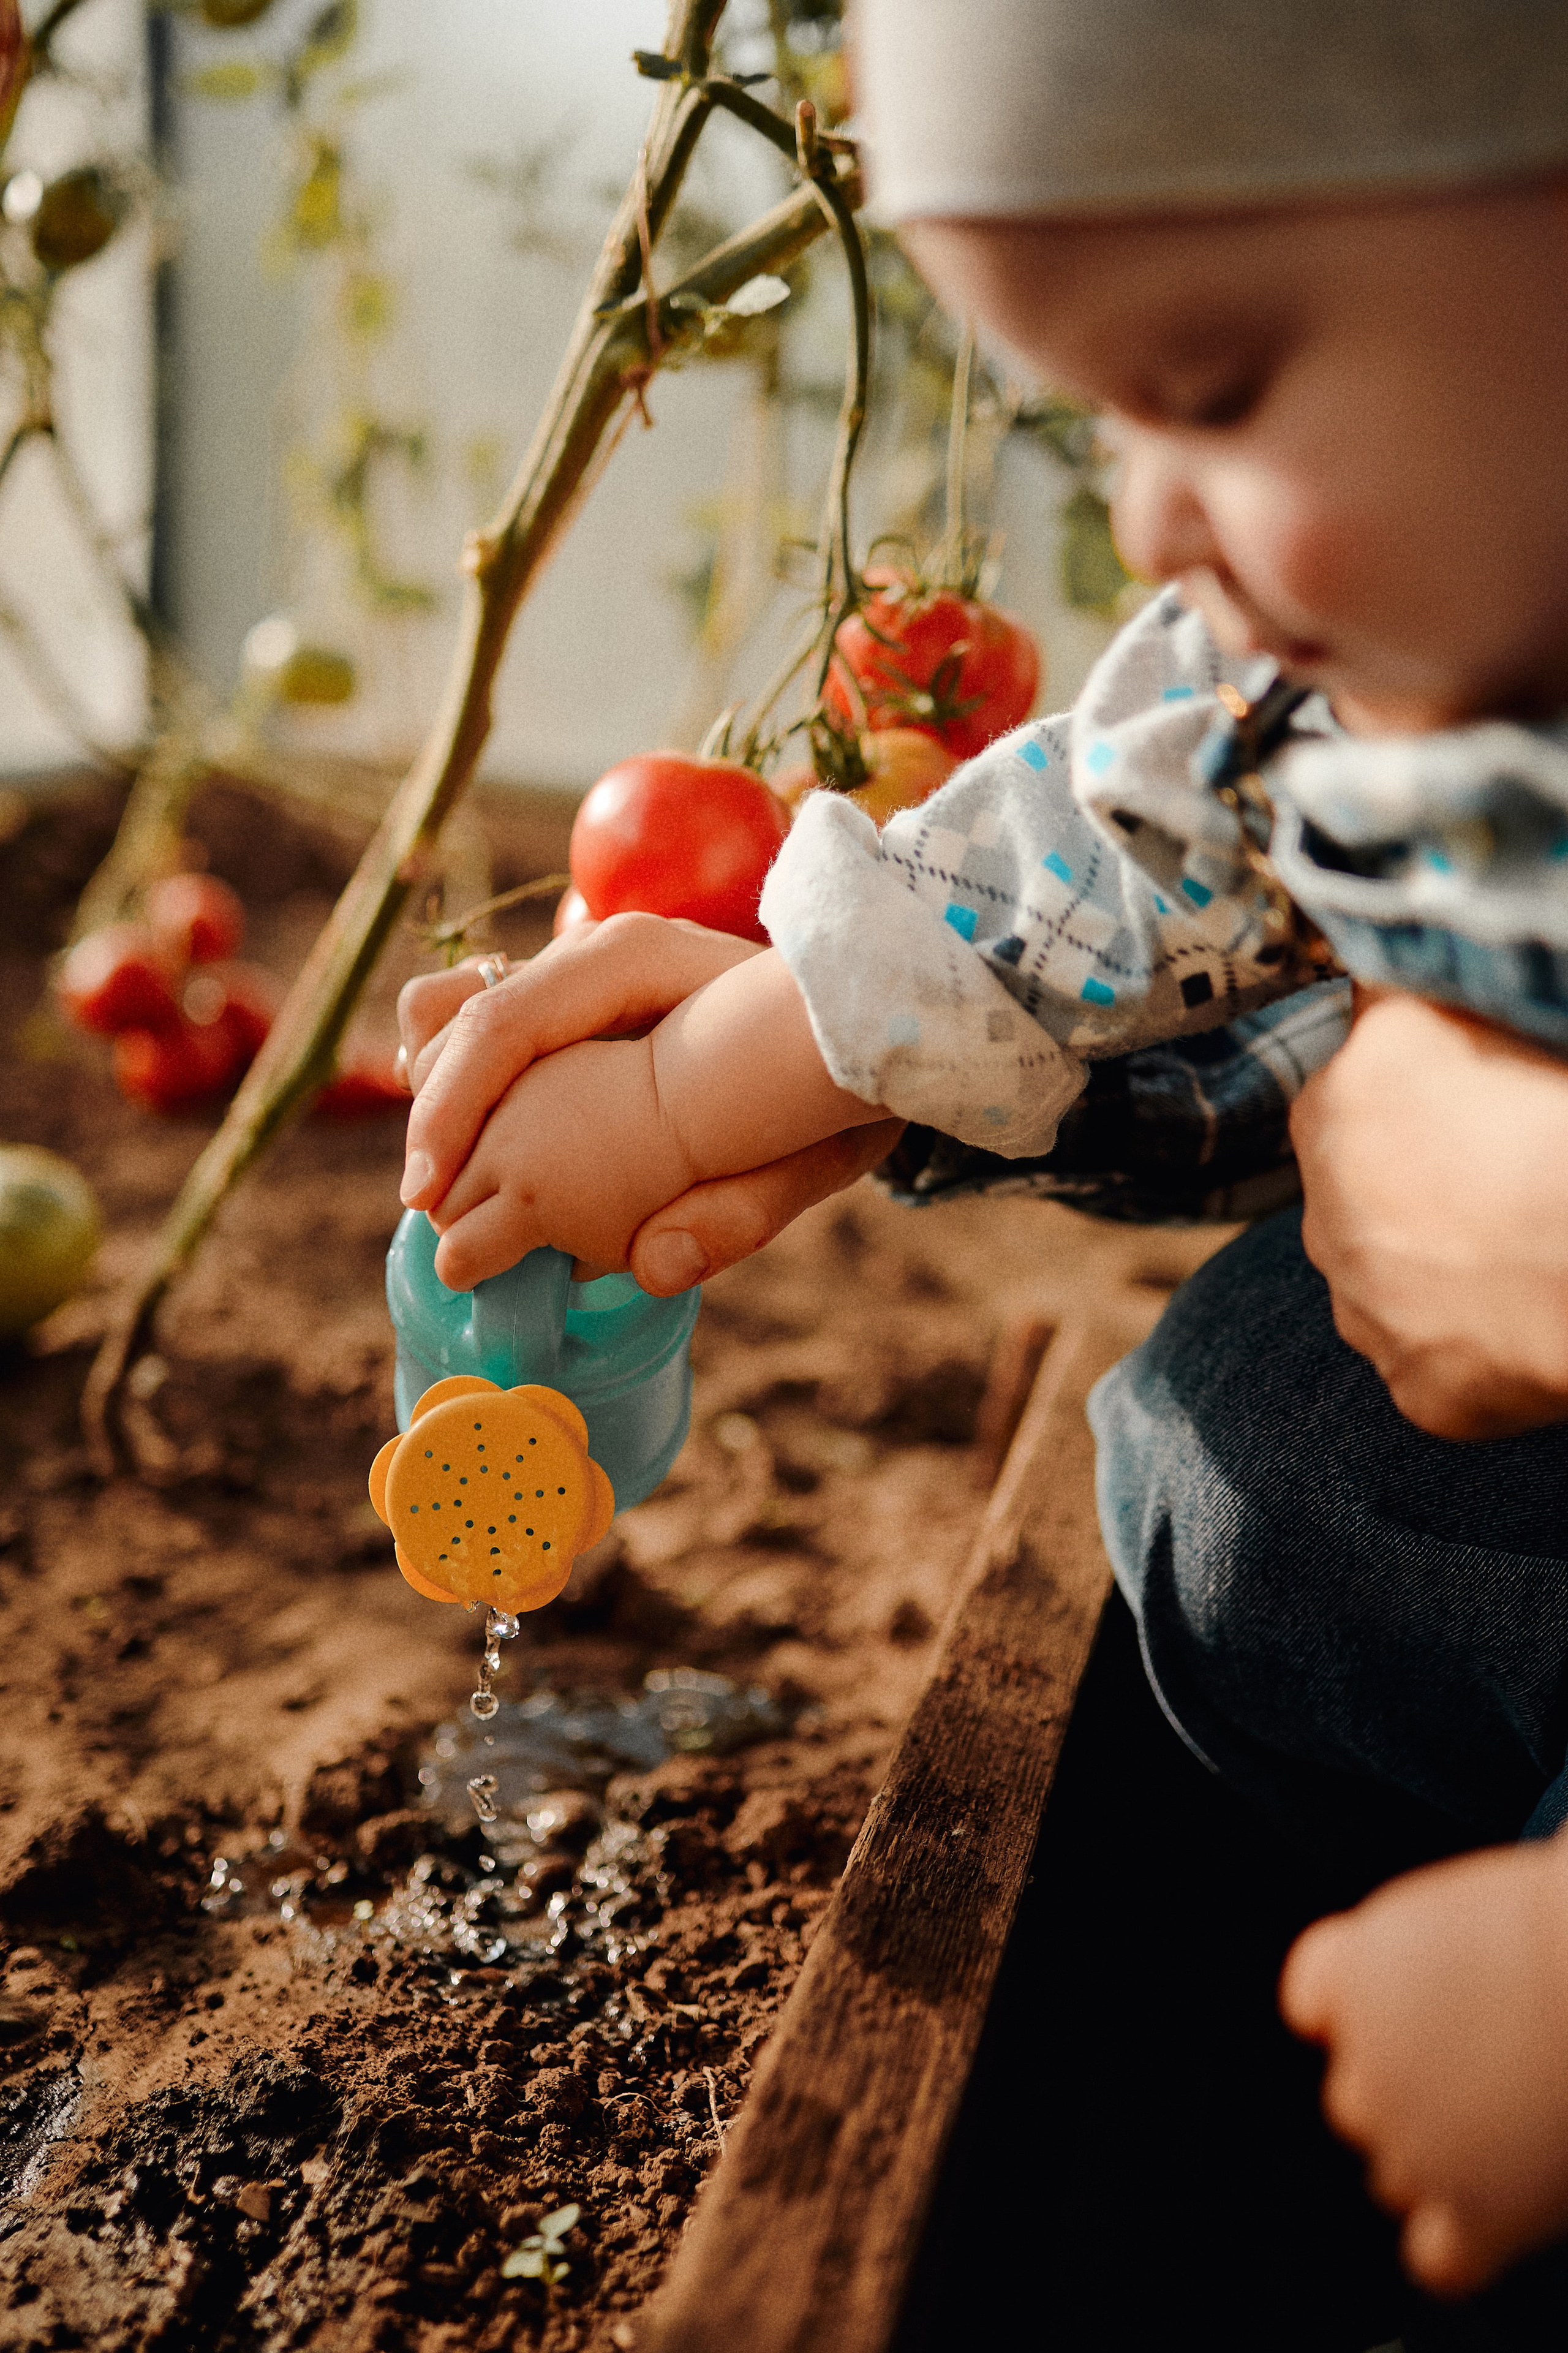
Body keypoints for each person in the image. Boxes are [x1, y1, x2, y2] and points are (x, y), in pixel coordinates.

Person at [396, 2, 1568, 2320]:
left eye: (1215, 382)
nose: (1143, 509)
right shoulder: (1437, 613)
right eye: (1097, 411)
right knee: (1255, 1455)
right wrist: (731, 1069)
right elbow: (1159, 804)